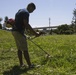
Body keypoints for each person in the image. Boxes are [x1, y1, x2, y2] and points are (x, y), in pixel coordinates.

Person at [12, 2, 41, 68]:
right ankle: (30, 65)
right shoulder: (26, 13)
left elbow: (21, 23)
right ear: (30, 7)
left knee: (19, 48)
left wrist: (28, 32)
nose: (32, 12)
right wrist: (35, 33)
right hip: (18, 32)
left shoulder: (20, 10)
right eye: (33, 10)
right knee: (25, 49)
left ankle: (21, 64)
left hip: (14, 31)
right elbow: (26, 24)